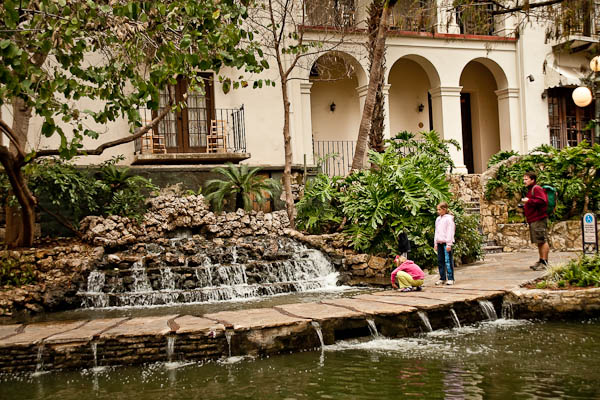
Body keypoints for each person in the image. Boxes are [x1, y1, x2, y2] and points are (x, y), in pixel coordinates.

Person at [522, 171, 549, 270]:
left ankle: (544, 262)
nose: (524, 181)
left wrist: (529, 201)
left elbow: (542, 201)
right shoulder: (530, 190)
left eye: (526, 179)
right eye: (524, 179)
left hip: (539, 218)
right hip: (533, 219)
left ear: (532, 180)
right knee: (539, 241)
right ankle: (541, 260)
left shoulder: (536, 188)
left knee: (542, 240)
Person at [434, 202, 455, 285]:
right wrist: (435, 243)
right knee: (440, 261)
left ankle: (450, 278)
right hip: (439, 242)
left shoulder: (449, 219)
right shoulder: (438, 219)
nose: (438, 211)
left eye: (439, 209)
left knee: (448, 261)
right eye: (437, 209)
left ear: (444, 209)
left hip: (446, 243)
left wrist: (449, 244)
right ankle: (442, 278)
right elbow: (437, 231)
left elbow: (450, 231)